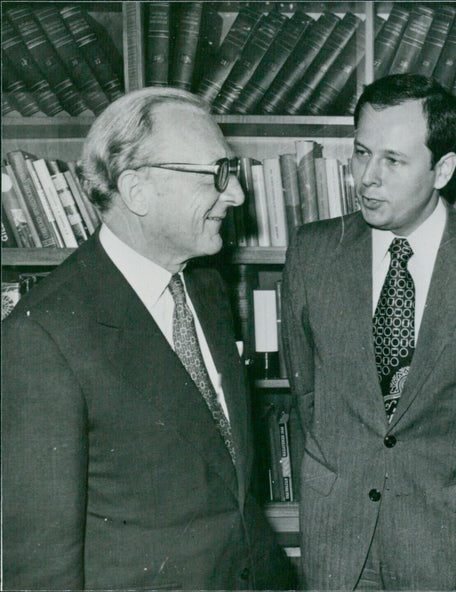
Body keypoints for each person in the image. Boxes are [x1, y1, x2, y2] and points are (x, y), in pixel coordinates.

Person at [1, 87, 295, 590]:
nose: (237, 195)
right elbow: (42, 567)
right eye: (217, 175)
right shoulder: (42, 337)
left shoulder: (204, 284)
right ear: (137, 191)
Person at [281, 73, 456, 590]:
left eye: (393, 161)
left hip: (451, 541)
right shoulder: (312, 253)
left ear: (443, 169)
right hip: (340, 538)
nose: (366, 178)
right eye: (361, 153)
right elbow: (306, 393)